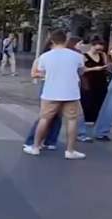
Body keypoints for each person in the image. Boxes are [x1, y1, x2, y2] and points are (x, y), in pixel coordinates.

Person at [23, 30, 87, 159]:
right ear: (66, 40)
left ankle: (35, 147)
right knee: (72, 120)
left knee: (44, 119)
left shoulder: (45, 56)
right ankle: (70, 150)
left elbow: (41, 71)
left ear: (52, 41)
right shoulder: (77, 56)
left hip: (51, 92)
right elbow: (81, 71)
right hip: (71, 92)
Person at [80, 36, 108, 140]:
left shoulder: (102, 55)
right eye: (97, 48)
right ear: (92, 46)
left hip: (101, 81)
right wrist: (94, 68)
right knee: (87, 102)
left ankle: (95, 125)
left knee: (99, 102)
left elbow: (105, 65)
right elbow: (82, 70)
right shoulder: (84, 56)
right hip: (89, 82)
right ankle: (84, 127)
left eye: (101, 47)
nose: (99, 50)